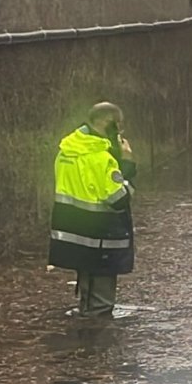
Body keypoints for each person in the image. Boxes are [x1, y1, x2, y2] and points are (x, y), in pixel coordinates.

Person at [49, 102, 138, 317]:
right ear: (110, 124)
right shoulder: (101, 158)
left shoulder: (67, 150)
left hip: (72, 228)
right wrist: (126, 164)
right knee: (102, 294)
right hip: (100, 231)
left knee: (86, 274)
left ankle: (84, 320)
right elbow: (118, 199)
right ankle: (97, 338)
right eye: (119, 126)